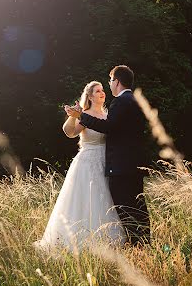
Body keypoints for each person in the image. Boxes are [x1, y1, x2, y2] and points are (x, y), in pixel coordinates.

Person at [34, 81, 126, 252]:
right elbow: (69, 133)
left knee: (104, 198)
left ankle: (106, 240)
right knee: (84, 198)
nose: (102, 93)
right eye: (97, 91)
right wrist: (73, 115)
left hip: (106, 161)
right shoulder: (85, 115)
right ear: (90, 96)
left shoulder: (108, 116)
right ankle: (78, 239)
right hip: (87, 162)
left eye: (103, 90)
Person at [66, 65, 150, 246]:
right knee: (137, 206)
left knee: (125, 207)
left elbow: (108, 127)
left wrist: (81, 114)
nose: (108, 86)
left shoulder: (119, 102)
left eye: (110, 82)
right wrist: (78, 116)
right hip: (132, 163)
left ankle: (137, 244)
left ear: (117, 82)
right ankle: (143, 242)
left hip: (121, 165)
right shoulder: (136, 100)